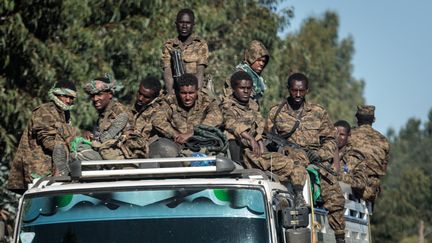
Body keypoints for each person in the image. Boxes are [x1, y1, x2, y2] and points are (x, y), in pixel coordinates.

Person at [266, 73, 346, 243]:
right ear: (288, 89)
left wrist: (320, 154)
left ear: (307, 90)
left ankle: (340, 237)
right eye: (294, 90)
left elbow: (330, 141)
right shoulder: (276, 112)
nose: (297, 94)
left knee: (334, 193)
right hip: (290, 158)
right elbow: (267, 139)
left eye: (301, 91)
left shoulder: (318, 112)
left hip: (315, 158)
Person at [222, 70, 308, 206]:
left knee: (298, 162)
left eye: (248, 88)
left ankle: (298, 196)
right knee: (289, 164)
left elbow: (260, 124)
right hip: (244, 151)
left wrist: (259, 139)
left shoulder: (253, 105)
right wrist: (250, 138)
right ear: (233, 89)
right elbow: (230, 123)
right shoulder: (227, 105)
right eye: (242, 88)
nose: (246, 91)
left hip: (257, 149)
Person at [8, 80, 78, 190]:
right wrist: (73, 149)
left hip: (54, 170)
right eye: (65, 96)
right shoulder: (44, 110)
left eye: (71, 98)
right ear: (55, 94)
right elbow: (49, 142)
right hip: (40, 171)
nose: (68, 100)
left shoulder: (65, 114)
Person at [151, 73, 222, 158]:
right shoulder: (169, 101)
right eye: (183, 93)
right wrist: (175, 135)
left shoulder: (207, 100)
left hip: (201, 142)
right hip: (175, 143)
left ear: (197, 91)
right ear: (178, 92)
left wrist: (192, 133)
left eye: (191, 93)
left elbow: (217, 118)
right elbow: (157, 120)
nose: (187, 97)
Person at [83, 74, 145, 161]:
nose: (95, 99)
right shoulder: (104, 113)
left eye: (99, 94)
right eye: (93, 95)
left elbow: (132, 140)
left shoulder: (120, 112)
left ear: (110, 94)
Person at [161, 8, 208, 94]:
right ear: (176, 24)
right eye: (181, 22)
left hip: (196, 90)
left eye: (188, 23)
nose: (184, 26)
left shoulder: (200, 44)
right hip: (175, 90)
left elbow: (200, 73)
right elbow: (167, 72)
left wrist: (195, 95)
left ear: (193, 25)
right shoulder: (169, 45)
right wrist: (171, 95)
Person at [350, 105, 390, 203]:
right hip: (371, 190)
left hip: (350, 185)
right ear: (374, 120)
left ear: (357, 119)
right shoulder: (383, 141)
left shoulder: (348, 135)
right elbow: (383, 168)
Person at [334, 120, 368, 197]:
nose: (338, 137)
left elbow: (360, 183)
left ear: (348, 136)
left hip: (347, 198)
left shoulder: (355, 158)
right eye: (335, 134)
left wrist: (338, 176)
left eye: (342, 134)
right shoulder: (325, 152)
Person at [132, 76, 163, 152]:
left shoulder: (159, 112)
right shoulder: (133, 107)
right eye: (139, 93)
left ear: (154, 98)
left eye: (146, 97)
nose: (140, 98)